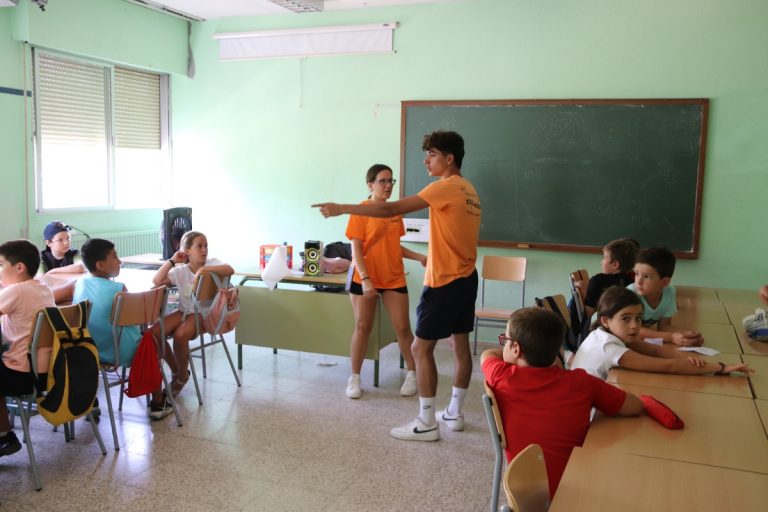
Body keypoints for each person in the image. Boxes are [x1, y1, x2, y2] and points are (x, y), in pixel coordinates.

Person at [314, 130, 481, 441]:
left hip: (444, 280)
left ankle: (426, 421)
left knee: (419, 348)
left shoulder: (444, 187)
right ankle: (454, 412)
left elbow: (391, 209)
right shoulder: (469, 189)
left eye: (432, 155)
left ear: (449, 158)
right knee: (459, 345)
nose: (426, 161)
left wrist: (342, 207)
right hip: (467, 276)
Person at [481, 307, 644, 498]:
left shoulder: (502, 377)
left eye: (505, 341)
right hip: (581, 489)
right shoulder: (582, 382)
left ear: (516, 348)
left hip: (526, 496)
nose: (503, 346)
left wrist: (512, 353)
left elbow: (487, 355)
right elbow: (635, 406)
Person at [344, 164, 427, 399]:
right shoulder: (361, 210)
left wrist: (419, 256)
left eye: (391, 181)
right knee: (363, 326)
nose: (388, 185)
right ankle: (354, 378)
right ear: (370, 184)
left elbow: (393, 246)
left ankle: (412, 373)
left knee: (402, 327)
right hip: (365, 277)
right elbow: (356, 249)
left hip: (392, 277)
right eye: (383, 181)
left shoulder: (393, 211)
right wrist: (366, 279)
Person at [73, 238, 173, 420]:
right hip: (123, 352)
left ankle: (91, 401)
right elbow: (144, 318)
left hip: (89, 352)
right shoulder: (118, 290)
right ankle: (158, 403)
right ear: (100, 265)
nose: (120, 261)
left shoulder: (80, 284)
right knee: (153, 342)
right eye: (115, 256)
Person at [571, 286, 753, 380]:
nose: (634, 326)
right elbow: (668, 366)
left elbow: (656, 351)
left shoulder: (610, 333)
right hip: (589, 418)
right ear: (605, 320)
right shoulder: (609, 347)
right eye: (626, 319)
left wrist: (688, 359)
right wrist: (721, 368)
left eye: (638, 318)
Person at [152, 230, 234, 397]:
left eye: (206, 246)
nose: (204, 250)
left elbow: (230, 269)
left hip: (204, 314)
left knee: (180, 335)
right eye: (199, 246)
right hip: (184, 311)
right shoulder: (180, 271)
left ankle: (182, 377)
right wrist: (172, 261)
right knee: (153, 334)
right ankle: (177, 370)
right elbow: (157, 281)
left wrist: (203, 271)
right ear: (187, 251)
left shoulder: (211, 263)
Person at [0, 240, 55, 457]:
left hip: (22, 374)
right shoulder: (43, 288)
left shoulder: (16, 291)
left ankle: (4, 436)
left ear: (19, 267)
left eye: (1, 265)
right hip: (45, 372)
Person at [628, 246, 703, 346]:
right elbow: (632, 329)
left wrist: (687, 334)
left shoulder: (669, 292)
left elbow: (664, 326)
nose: (638, 281)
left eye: (646, 276)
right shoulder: (631, 293)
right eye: (637, 274)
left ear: (665, 282)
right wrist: (671, 337)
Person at [581, 238, 639, 319]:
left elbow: (588, 314)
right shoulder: (634, 283)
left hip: (600, 324)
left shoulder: (596, 281)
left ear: (615, 265)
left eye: (604, 258)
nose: (601, 262)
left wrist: (583, 293)